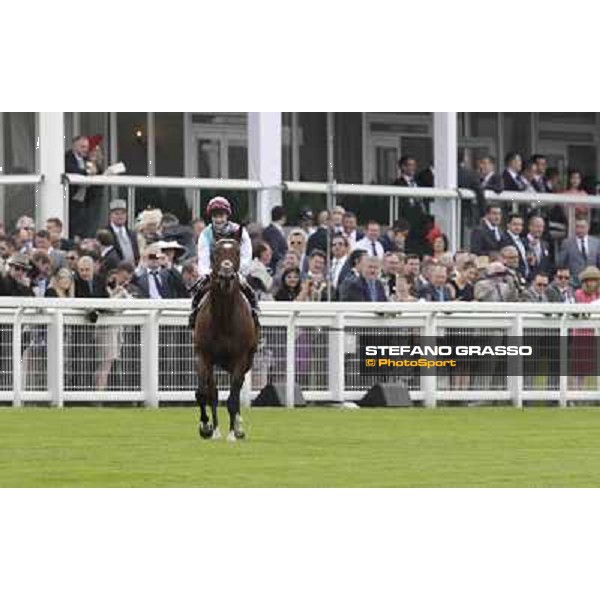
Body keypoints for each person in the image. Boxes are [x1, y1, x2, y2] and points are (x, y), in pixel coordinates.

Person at [189, 196, 258, 330]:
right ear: (211, 216)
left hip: (236, 272)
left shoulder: (240, 231)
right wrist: (208, 273)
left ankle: (255, 320)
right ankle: (193, 320)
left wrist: (238, 271)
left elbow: (246, 255)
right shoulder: (205, 234)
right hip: (214, 273)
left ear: (227, 215)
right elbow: (203, 259)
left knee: (250, 293)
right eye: (215, 216)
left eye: (221, 215)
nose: (219, 219)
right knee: (198, 294)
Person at [558, 218, 600, 285]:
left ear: (588, 228)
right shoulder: (567, 243)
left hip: (592, 282)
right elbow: (561, 264)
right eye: (577, 227)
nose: (580, 230)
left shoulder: (596, 242)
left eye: (582, 227)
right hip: (573, 283)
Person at [65, 135, 91, 240]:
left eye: (87, 147)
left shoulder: (87, 159)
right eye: (83, 147)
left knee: (83, 227)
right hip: (71, 199)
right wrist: (87, 172)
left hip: (84, 199)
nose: (86, 150)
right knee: (72, 226)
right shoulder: (67, 157)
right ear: (75, 146)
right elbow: (72, 170)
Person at [108, 199, 139, 265]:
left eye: (123, 213)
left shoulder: (132, 234)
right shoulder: (106, 232)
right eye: (117, 214)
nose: (120, 216)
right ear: (110, 215)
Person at [501, 214, 529, 279]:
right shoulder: (504, 239)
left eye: (520, 225)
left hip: (525, 277)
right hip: (512, 276)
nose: (518, 227)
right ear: (508, 225)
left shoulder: (523, 240)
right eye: (515, 224)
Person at [261, 206, 288, 272]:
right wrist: (286, 259)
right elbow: (274, 251)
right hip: (274, 267)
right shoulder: (273, 231)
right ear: (283, 217)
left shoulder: (271, 230)